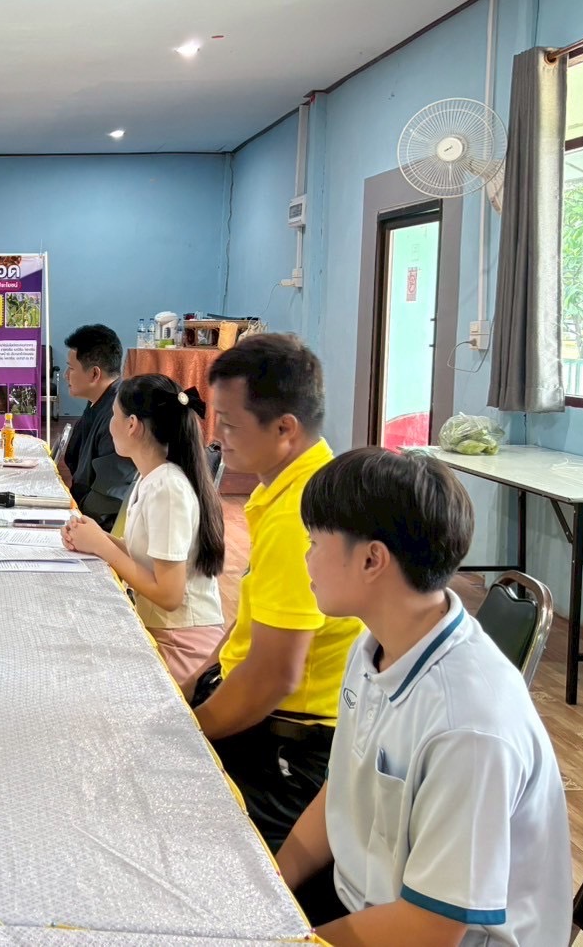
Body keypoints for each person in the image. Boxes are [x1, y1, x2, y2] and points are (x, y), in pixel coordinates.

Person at [277, 448, 570, 946]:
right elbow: (340, 795)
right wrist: (268, 888)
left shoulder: (468, 726)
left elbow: (430, 929)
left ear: (372, 559)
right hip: (365, 904)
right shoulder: (373, 647)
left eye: (314, 542)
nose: (306, 557)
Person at [191, 333, 363, 851]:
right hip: (257, 712)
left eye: (230, 423)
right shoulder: (289, 486)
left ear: (285, 428)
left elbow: (272, 676)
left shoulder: (299, 516)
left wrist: (188, 733)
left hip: (286, 746)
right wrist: (195, 685)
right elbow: (251, 623)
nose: (217, 436)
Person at [62, 375, 226, 686]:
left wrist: (103, 548)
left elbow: (169, 594)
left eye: (114, 416)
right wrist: (96, 538)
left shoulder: (168, 487)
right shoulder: (153, 478)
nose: (110, 425)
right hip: (165, 631)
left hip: (182, 646)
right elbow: (147, 557)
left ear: (132, 425)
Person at [57, 324, 137, 528]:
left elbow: (108, 498)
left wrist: (74, 523)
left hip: (98, 526)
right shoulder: (99, 401)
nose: (66, 375)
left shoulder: (118, 416)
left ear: (94, 374)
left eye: (71, 368)